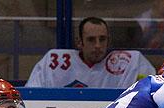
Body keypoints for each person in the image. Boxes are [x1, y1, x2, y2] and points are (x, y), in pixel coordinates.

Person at [26, 17, 156, 88]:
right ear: (79, 42)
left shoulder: (130, 61)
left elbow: (153, 91)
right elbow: (32, 93)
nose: (98, 45)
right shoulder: (54, 62)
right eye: (91, 40)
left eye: (102, 39)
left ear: (109, 40)